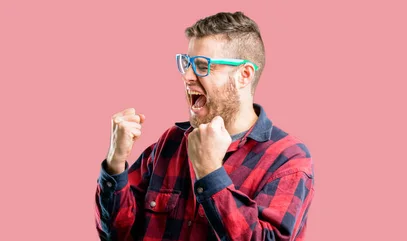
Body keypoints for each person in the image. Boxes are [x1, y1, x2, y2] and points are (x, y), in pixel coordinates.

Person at [95, 11, 315, 241]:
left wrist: (210, 172)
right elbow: (117, 234)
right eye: (187, 63)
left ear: (244, 75)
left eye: (202, 65)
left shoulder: (289, 159)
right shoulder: (171, 142)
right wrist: (115, 162)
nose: (187, 75)